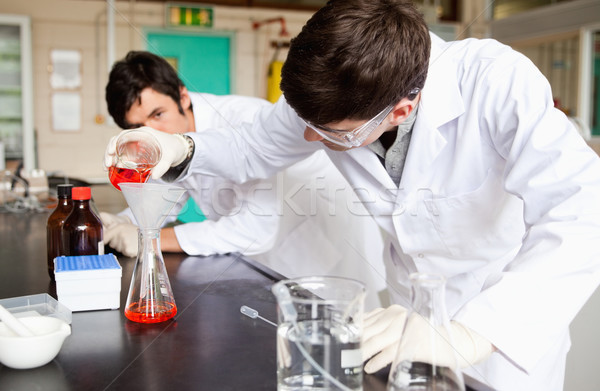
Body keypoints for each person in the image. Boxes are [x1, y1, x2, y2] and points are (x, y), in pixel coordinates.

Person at [103, 2, 600, 390]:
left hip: (497, 321)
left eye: (333, 134)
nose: (314, 141)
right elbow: (254, 146)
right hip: (405, 314)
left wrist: (473, 331)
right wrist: (179, 146)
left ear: (400, 111)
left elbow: (582, 212)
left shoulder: (494, 83)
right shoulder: (334, 91)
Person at [102, 51, 387, 308]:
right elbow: (168, 193)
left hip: (325, 249)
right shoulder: (176, 138)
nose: (152, 132)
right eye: (137, 127)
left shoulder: (243, 120)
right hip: (269, 263)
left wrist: (149, 239)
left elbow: (254, 230)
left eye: (158, 114)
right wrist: (124, 222)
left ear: (183, 96)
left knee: (347, 344)